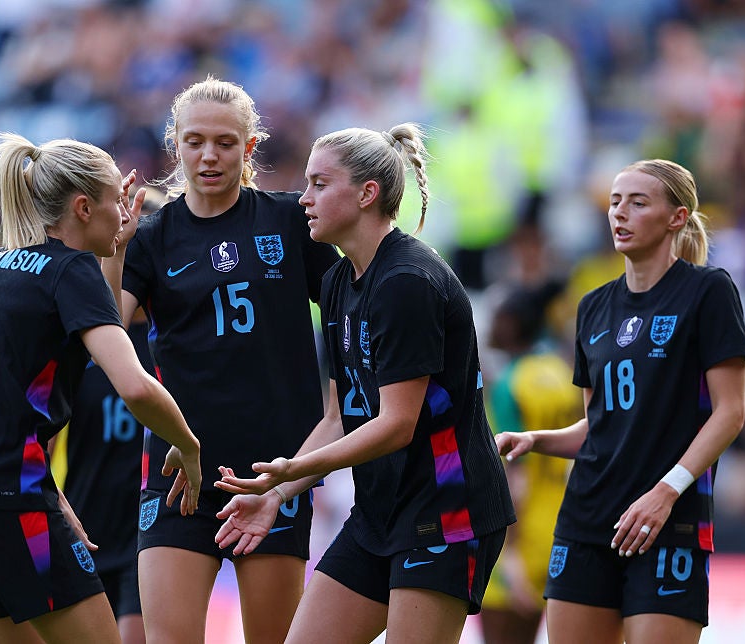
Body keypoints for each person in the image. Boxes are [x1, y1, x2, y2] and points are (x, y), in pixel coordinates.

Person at [215, 123, 515, 644]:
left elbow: (397, 425)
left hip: (445, 510)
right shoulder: (335, 281)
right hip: (380, 510)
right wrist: (277, 493)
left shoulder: (406, 283)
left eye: (319, 184)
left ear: (367, 193)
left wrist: (292, 468)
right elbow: (339, 415)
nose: (303, 198)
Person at [0, 133, 202, 644]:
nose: (125, 211)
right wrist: (188, 443)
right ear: (84, 207)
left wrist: (120, 249)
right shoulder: (70, 270)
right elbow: (133, 385)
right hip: (7, 495)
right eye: (117, 199)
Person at [102, 76, 341, 644]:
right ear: (176, 144)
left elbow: (351, 307)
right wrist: (113, 250)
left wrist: (338, 405)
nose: (209, 155)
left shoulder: (290, 222)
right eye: (195, 141)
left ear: (250, 147)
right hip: (177, 472)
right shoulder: (151, 235)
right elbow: (108, 329)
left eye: (226, 142)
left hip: (272, 474)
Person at [495, 159, 745, 644]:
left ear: (676, 217)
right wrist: (534, 439)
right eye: (615, 202)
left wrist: (666, 490)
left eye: (637, 202)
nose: (620, 214)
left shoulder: (708, 292)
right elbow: (597, 426)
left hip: (667, 521)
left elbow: (731, 413)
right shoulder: (592, 306)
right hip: (586, 521)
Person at [53, 186, 170, 644]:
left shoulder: (173, 340)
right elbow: (40, 425)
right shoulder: (86, 339)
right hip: (88, 526)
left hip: (152, 527)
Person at [480, 280, 582, 644]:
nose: (490, 325)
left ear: (511, 323)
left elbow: (515, 477)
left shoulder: (511, 383)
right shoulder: (561, 373)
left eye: (496, 317)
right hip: (557, 530)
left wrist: (508, 554)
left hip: (516, 538)